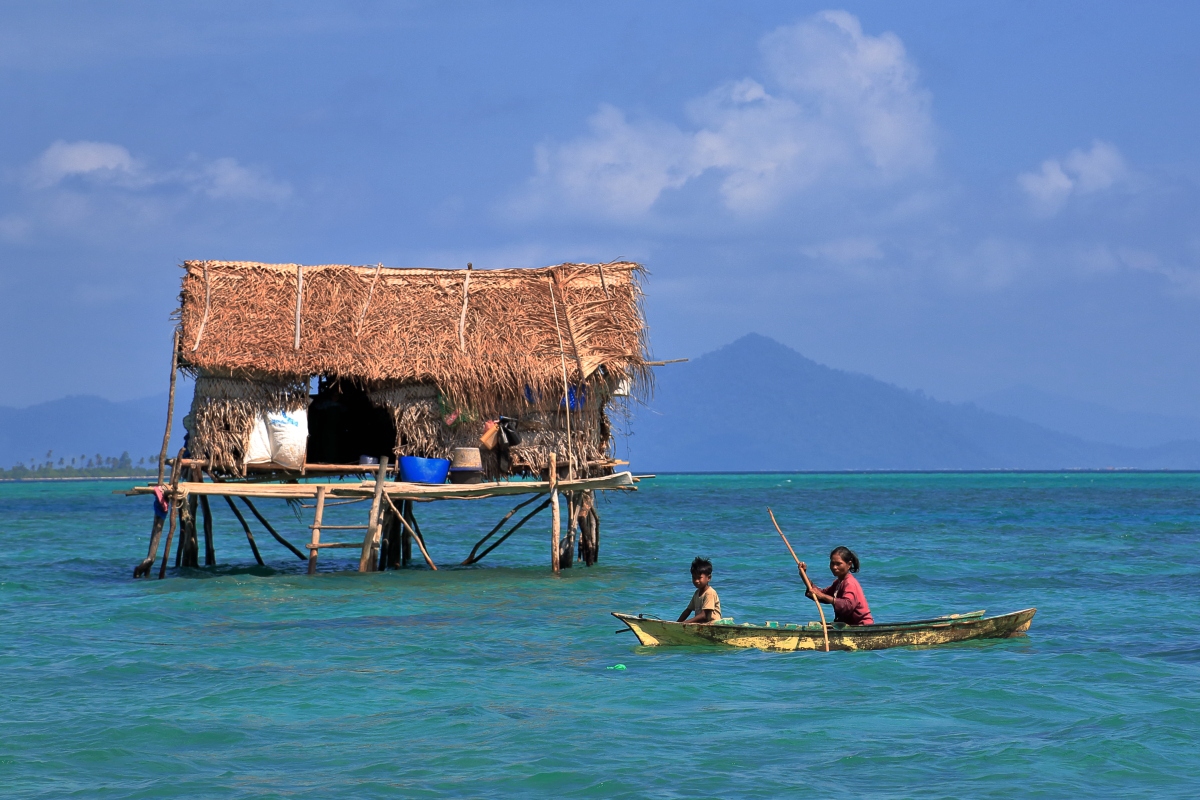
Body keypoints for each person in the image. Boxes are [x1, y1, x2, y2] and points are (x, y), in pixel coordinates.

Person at [798, 546, 873, 625]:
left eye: (838, 564)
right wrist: (803, 575)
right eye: (832, 563)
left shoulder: (849, 583)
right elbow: (819, 593)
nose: (834, 567)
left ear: (849, 564)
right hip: (845, 625)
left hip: (860, 626)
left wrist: (822, 596)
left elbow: (847, 605)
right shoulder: (838, 583)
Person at [677, 557, 722, 625]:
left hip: (713, 625)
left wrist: (685, 623)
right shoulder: (697, 593)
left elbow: (703, 615)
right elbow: (688, 610)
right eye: (694, 578)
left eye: (699, 578)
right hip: (702, 625)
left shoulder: (710, 593)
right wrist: (677, 623)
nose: (696, 581)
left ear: (709, 578)